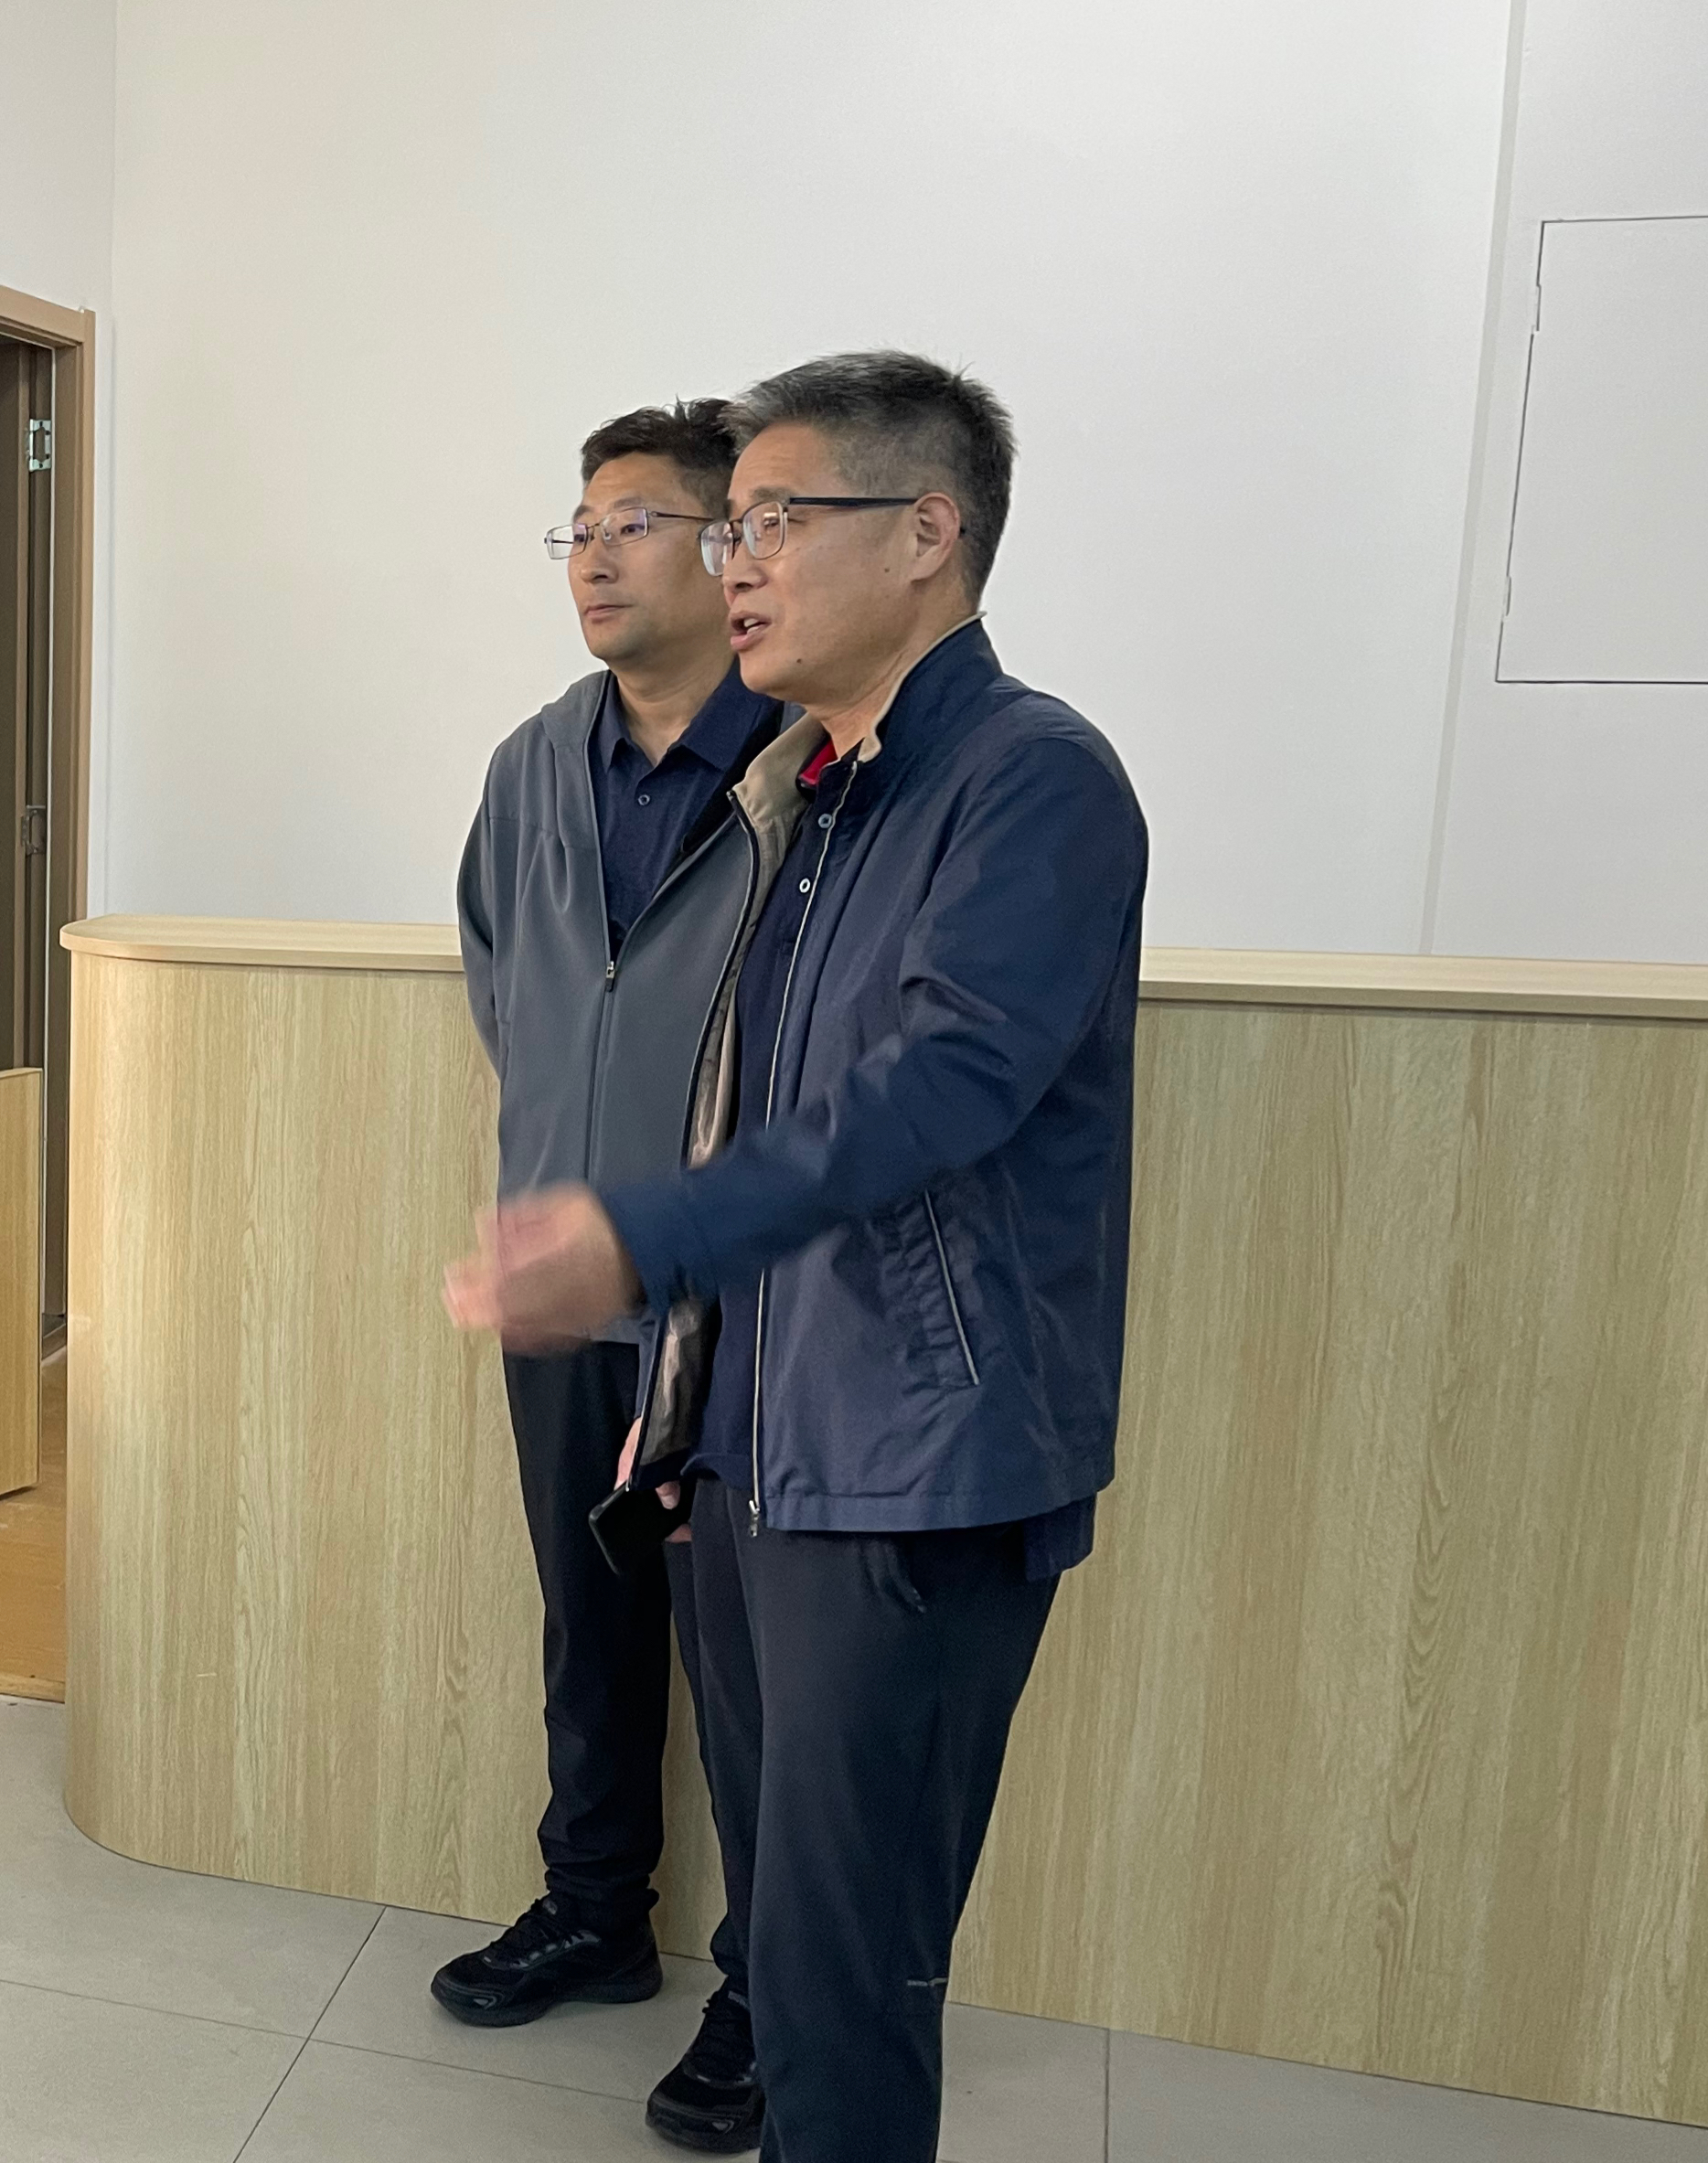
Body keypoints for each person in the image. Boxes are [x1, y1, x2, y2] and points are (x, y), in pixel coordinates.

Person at [444, 352, 1148, 2161]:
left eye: (771, 519)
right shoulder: (820, 794)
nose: (734, 558)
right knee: (794, 1925)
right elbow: (736, 1110)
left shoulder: (1029, 779)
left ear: (925, 534)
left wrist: (632, 1238)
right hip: (766, 1436)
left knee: (842, 1976)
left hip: (916, 1462)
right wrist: (694, 1405)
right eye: (731, 524)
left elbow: (935, 1091)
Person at [442, 400, 781, 2138]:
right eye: (576, 525)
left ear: (729, 549)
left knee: (753, 1670)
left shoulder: (804, 763)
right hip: (564, 1285)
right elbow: (502, 977)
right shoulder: (532, 763)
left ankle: (766, 1994)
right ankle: (594, 1912)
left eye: (631, 522)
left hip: (740, 1305)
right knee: (588, 1631)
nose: (589, 554)